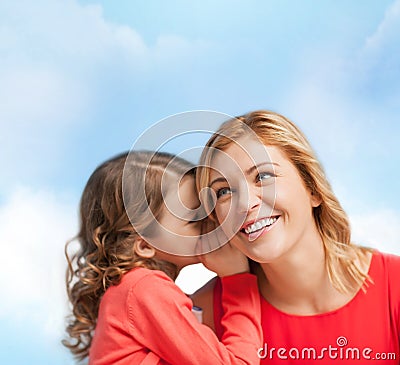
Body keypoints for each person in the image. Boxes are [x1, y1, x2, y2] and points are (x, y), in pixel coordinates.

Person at [193, 110, 400, 364]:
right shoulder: (205, 311)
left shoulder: (394, 286)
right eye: (224, 191)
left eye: (263, 176)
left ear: (312, 188)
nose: (244, 204)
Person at [63, 150, 262, 365]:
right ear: (144, 244)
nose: (211, 223)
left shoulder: (130, 292)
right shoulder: (144, 289)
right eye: (194, 221)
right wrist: (237, 278)